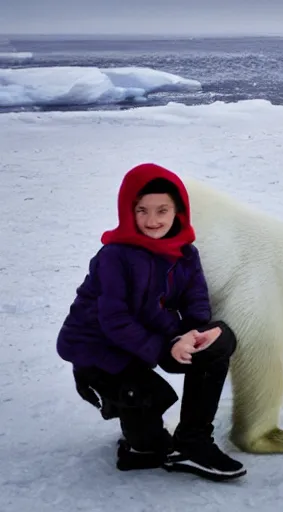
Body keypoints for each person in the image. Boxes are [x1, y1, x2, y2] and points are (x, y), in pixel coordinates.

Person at [57, 162, 247, 481]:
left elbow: (196, 300)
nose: (152, 220)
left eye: (162, 210)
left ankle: (193, 441)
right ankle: (111, 397)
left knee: (218, 340)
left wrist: (193, 335)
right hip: (97, 348)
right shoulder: (114, 256)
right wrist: (168, 345)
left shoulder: (185, 252)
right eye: (142, 210)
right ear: (128, 210)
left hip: (147, 336)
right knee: (148, 444)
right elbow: (115, 319)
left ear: (178, 211)